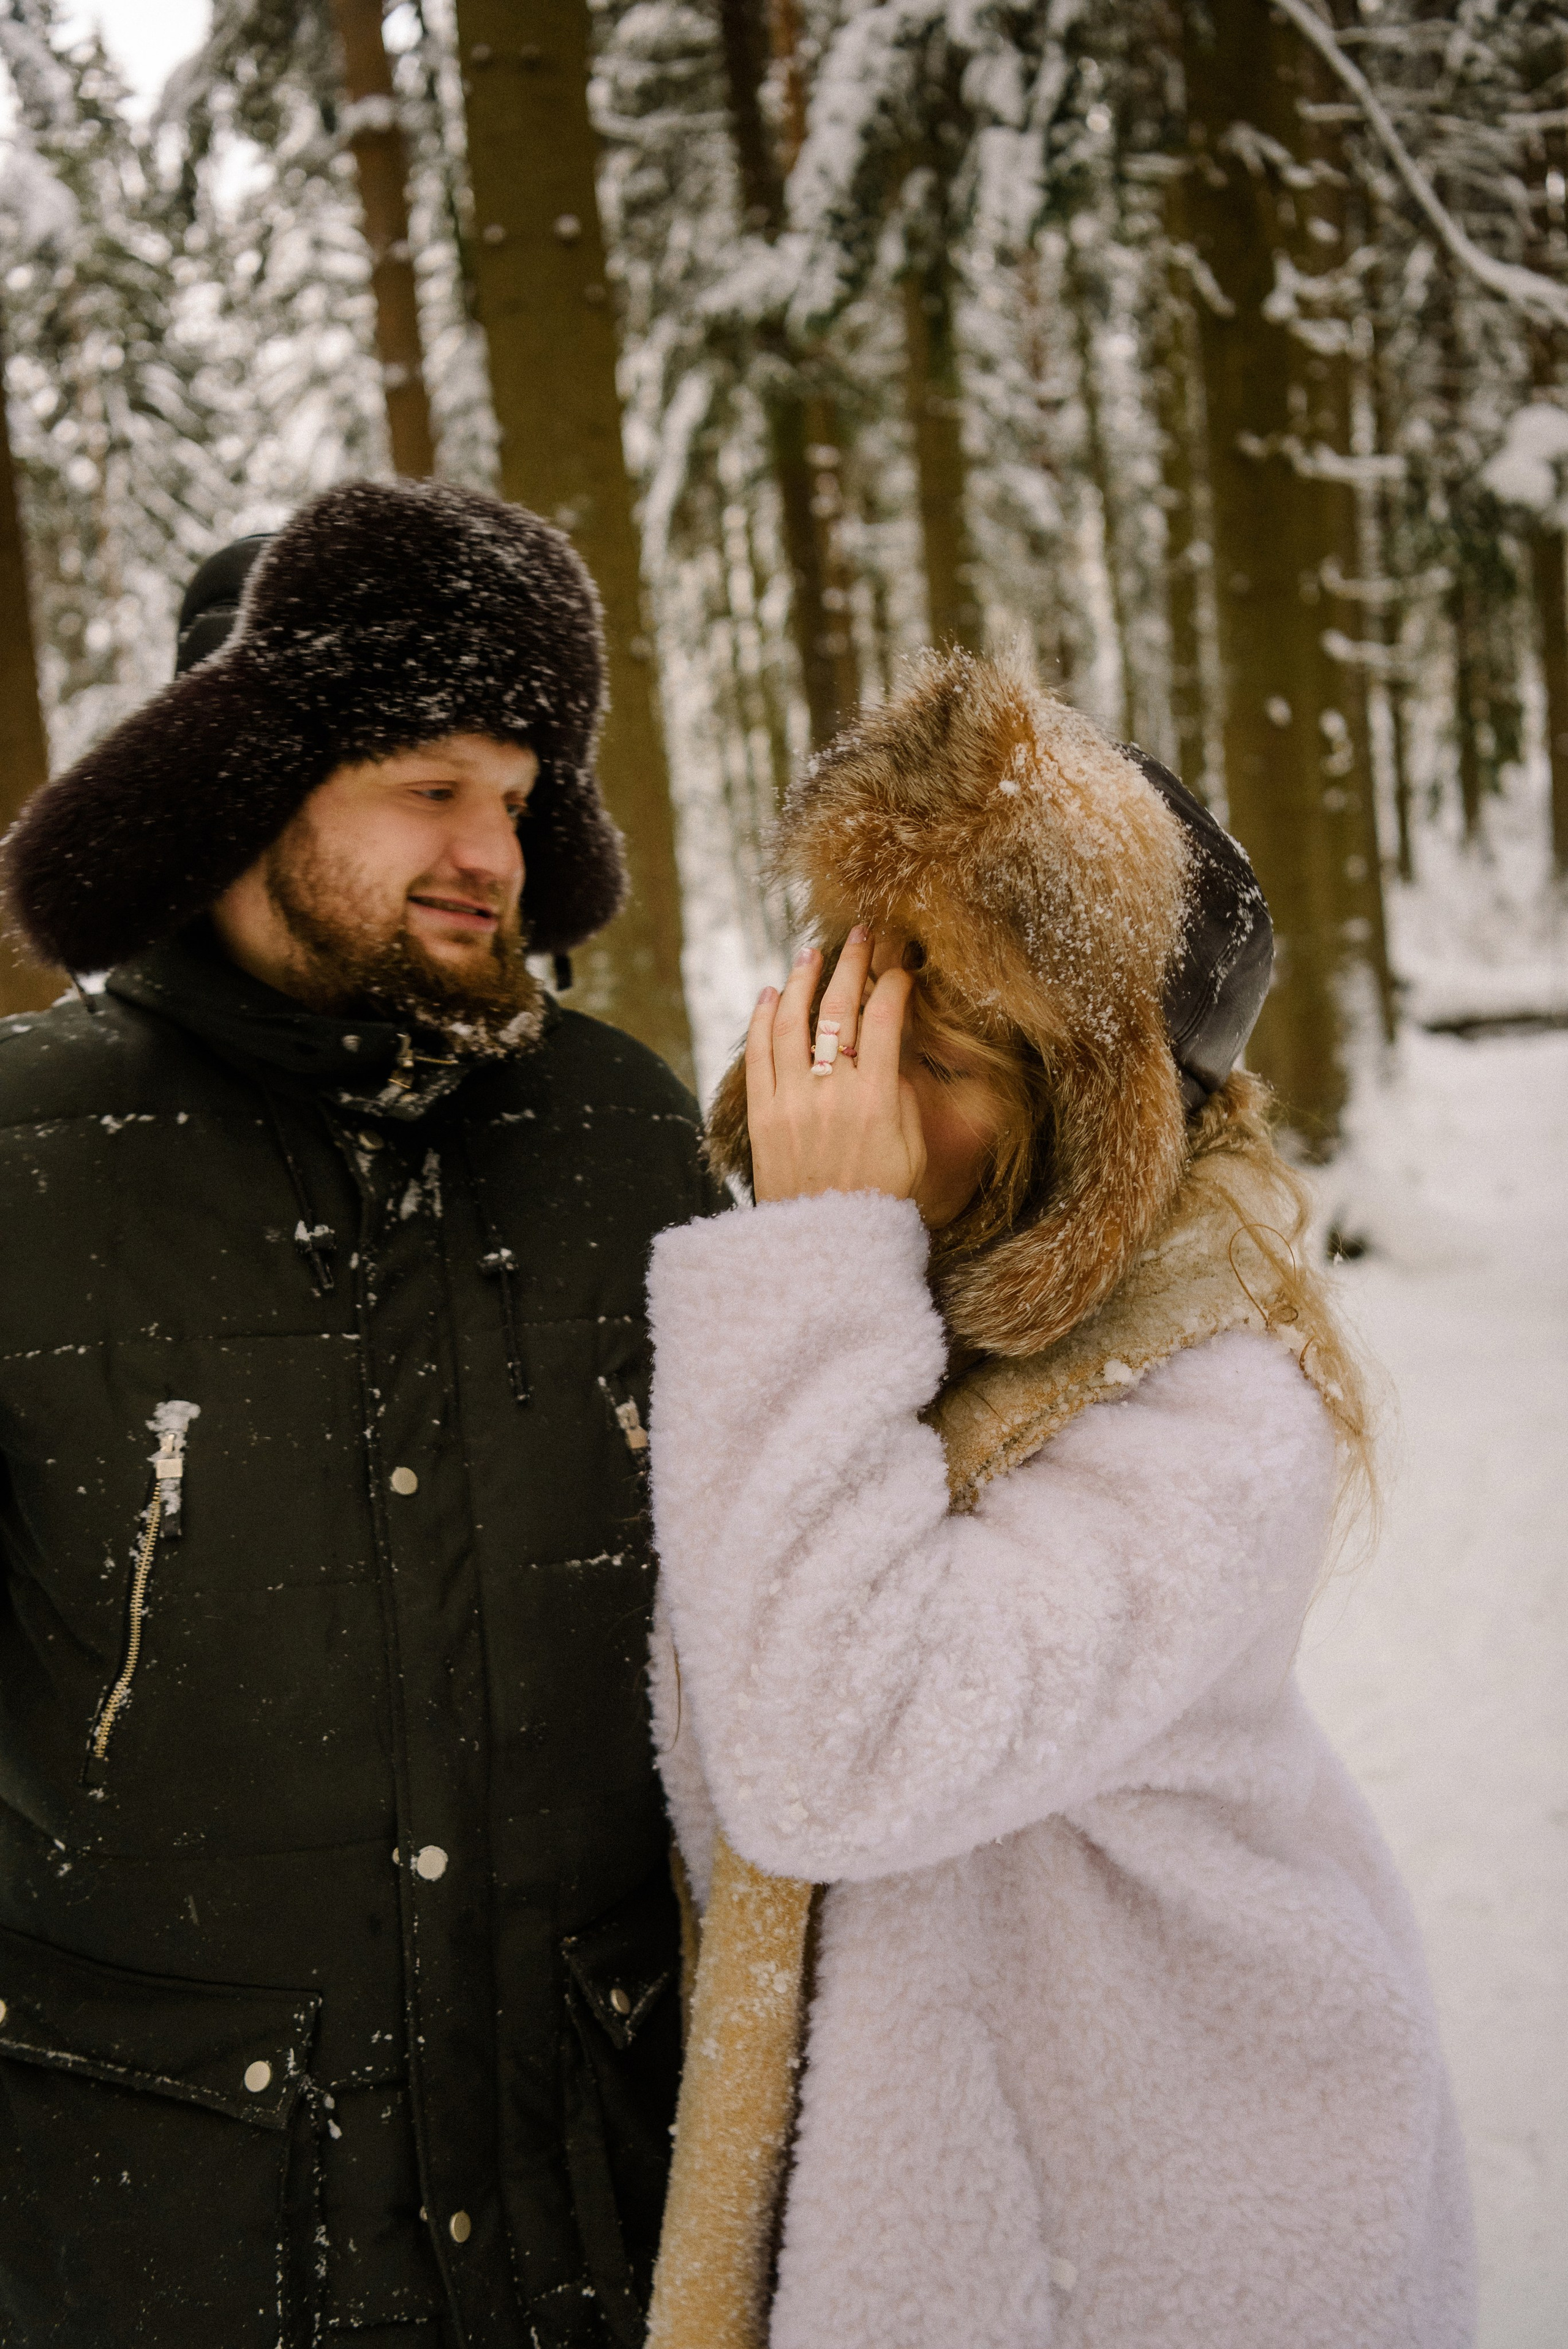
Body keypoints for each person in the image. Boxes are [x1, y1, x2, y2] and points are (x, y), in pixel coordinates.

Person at [641, 651, 1474, 2349]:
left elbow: (829, 1749)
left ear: (1094, 1137)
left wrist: (815, 1260)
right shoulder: (895, 1330)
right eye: (854, 999)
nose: (851, 1082)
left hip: (1177, 2236)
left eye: (932, 1047)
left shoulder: (1214, 1410)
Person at [0, 479, 718, 2349]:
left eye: (522, 788)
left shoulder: (622, 1137)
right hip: (168, 2242)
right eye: (432, 785)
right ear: (241, 782)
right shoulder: (21, 1169)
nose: (501, 843)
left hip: (600, 2225)